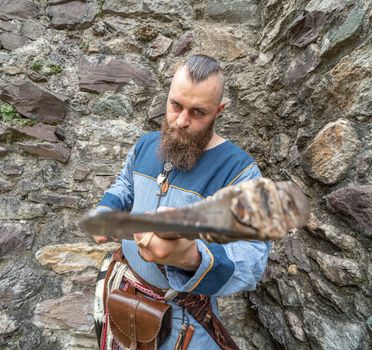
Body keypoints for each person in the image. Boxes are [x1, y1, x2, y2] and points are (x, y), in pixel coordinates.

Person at [94, 54, 270, 350]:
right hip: (123, 293)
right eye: (175, 105)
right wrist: (107, 207)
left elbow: (254, 259)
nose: (181, 121)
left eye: (198, 112)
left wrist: (189, 258)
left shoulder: (240, 171)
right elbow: (125, 184)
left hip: (183, 317)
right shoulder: (146, 144)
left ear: (219, 110)